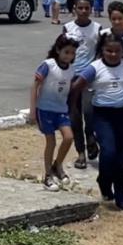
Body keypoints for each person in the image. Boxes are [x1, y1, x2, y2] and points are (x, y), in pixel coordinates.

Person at [70, 32, 123, 212]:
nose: (113, 54)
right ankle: (104, 181)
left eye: (117, 51)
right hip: (103, 116)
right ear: (102, 50)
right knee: (108, 153)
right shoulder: (94, 68)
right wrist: (71, 108)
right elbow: (76, 87)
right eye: (109, 51)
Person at [29, 34, 78, 192]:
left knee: (69, 137)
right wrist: (33, 110)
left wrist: (71, 108)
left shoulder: (71, 70)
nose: (68, 56)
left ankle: (57, 165)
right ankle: (48, 176)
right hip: (45, 109)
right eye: (66, 52)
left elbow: (69, 91)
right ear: (58, 50)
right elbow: (35, 86)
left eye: (72, 53)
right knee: (51, 142)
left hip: (61, 110)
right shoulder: (48, 65)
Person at [64, 0, 102, 169]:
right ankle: (81, 153)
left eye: (87, 8)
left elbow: (101, 53)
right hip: (71, 79)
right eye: (80, 8)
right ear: (75, 9)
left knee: (90, 112)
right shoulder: (68, 28)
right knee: (74, 117)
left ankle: (91, 139)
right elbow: (62, 53)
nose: (84, 11)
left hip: (90, 79)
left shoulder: (97, 29)